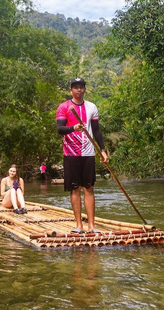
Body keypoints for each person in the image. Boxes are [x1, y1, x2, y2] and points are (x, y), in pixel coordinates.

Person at [56, 77, 108, 234]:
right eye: (75, 87)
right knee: (75, 189)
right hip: (71, 153)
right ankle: (79, 225)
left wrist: (103, 150)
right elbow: (60, 129)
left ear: (85, 89)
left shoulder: (92, 107)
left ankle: (92, 226)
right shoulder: (64, 107)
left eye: (81, 87)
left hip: (88, 152)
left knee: (89, 187)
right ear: (71, 90)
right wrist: (74, 128)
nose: (78, 89)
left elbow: (96, 130)